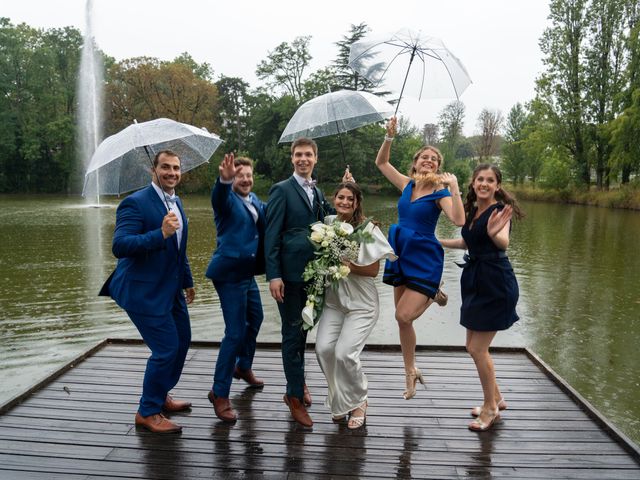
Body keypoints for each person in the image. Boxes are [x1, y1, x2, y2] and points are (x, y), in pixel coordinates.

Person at [100, 149, 195, 434]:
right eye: (165, 167)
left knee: (183, 341)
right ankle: (147, 411)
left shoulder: (175, 201)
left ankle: (161, 392)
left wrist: (187, 280)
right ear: (153, 170)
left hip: (171, 286)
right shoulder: (135, 203)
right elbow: (121, 246)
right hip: (143, 290)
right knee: (166, 348)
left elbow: (179, 248)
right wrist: (160, 234)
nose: (171, 173)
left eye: (176, 168)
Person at [375, 116, 465, 400]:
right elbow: (382, 163)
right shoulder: (406, 185)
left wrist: (455, 188)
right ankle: (410, 370)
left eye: (433, 159)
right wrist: (389, 137)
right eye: (423, 157)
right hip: (400, 251)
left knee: (403, 313)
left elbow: (459, 220)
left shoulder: (440, 192)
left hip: (424, 256)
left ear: (438, 166)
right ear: (415, 163)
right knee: (402, 320)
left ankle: (431, 291)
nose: (428, 160)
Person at [439, 164, 523, 431]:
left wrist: (494, 232)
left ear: (497, 185)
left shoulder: (499, 211)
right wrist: (438, 241)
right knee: (472, 346)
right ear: (473, 183)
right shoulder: (474, 210)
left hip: (495, 283)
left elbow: (503, 242)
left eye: (490, 180)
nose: (484, 184)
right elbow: (468, 242)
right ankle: (497, 397)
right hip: (475, 280)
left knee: (478, 348)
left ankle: (491, 408)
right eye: (480, 180)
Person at [264, 137, 334, 428]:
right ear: (292, 159)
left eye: (308, 154)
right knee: (292, 335)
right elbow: (271, 235)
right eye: (297, 155)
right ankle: (293, 396)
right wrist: (274, 275)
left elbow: (329, 216)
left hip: (313, 274)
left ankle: (299, 382)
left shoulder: (315, 191)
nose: (302, 159)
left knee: (303, 331)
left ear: (316, 158)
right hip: (289, 276)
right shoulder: (281, 190)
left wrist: (348, 186)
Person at [314, 181, 396, 430]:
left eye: (351, 199)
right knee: (324, 349)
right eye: (341, 197)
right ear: (334, 198)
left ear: (358, 202)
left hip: (362, 304)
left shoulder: (367, 227)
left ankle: (359, 401)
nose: (345, 202)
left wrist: (348, 264)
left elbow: (372, 270)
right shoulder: (327, 224)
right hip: (334, 301)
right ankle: (340, 401)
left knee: (344, 353)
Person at [205, 153, 266, 423]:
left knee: (256, 318)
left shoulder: (254, 201)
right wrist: (223, 180)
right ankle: (219, 393)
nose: (246, 180)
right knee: (235, 332)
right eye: (240, 176)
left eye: (249, 176)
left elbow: (275, 212)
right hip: (229, 274)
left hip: (248, 273)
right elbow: (218, 197)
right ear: (232, 178)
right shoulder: (226, 200)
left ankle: (243, 366)